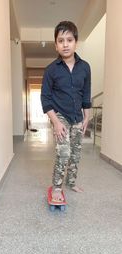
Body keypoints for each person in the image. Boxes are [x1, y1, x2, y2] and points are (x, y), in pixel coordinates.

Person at [41, 21, 91, 202]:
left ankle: (71, 182)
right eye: (61, 40)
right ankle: (56, 187)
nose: (65, 44)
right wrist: (55, 122)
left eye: (69, 39)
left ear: (75, 42)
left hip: (78, 116)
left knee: (76, 153)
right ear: (56, 45)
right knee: (64, 153)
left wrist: (87, 116)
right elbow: (45, 99)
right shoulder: (51, 70)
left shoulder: (85, 67)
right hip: (59, 116)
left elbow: (86, 93)